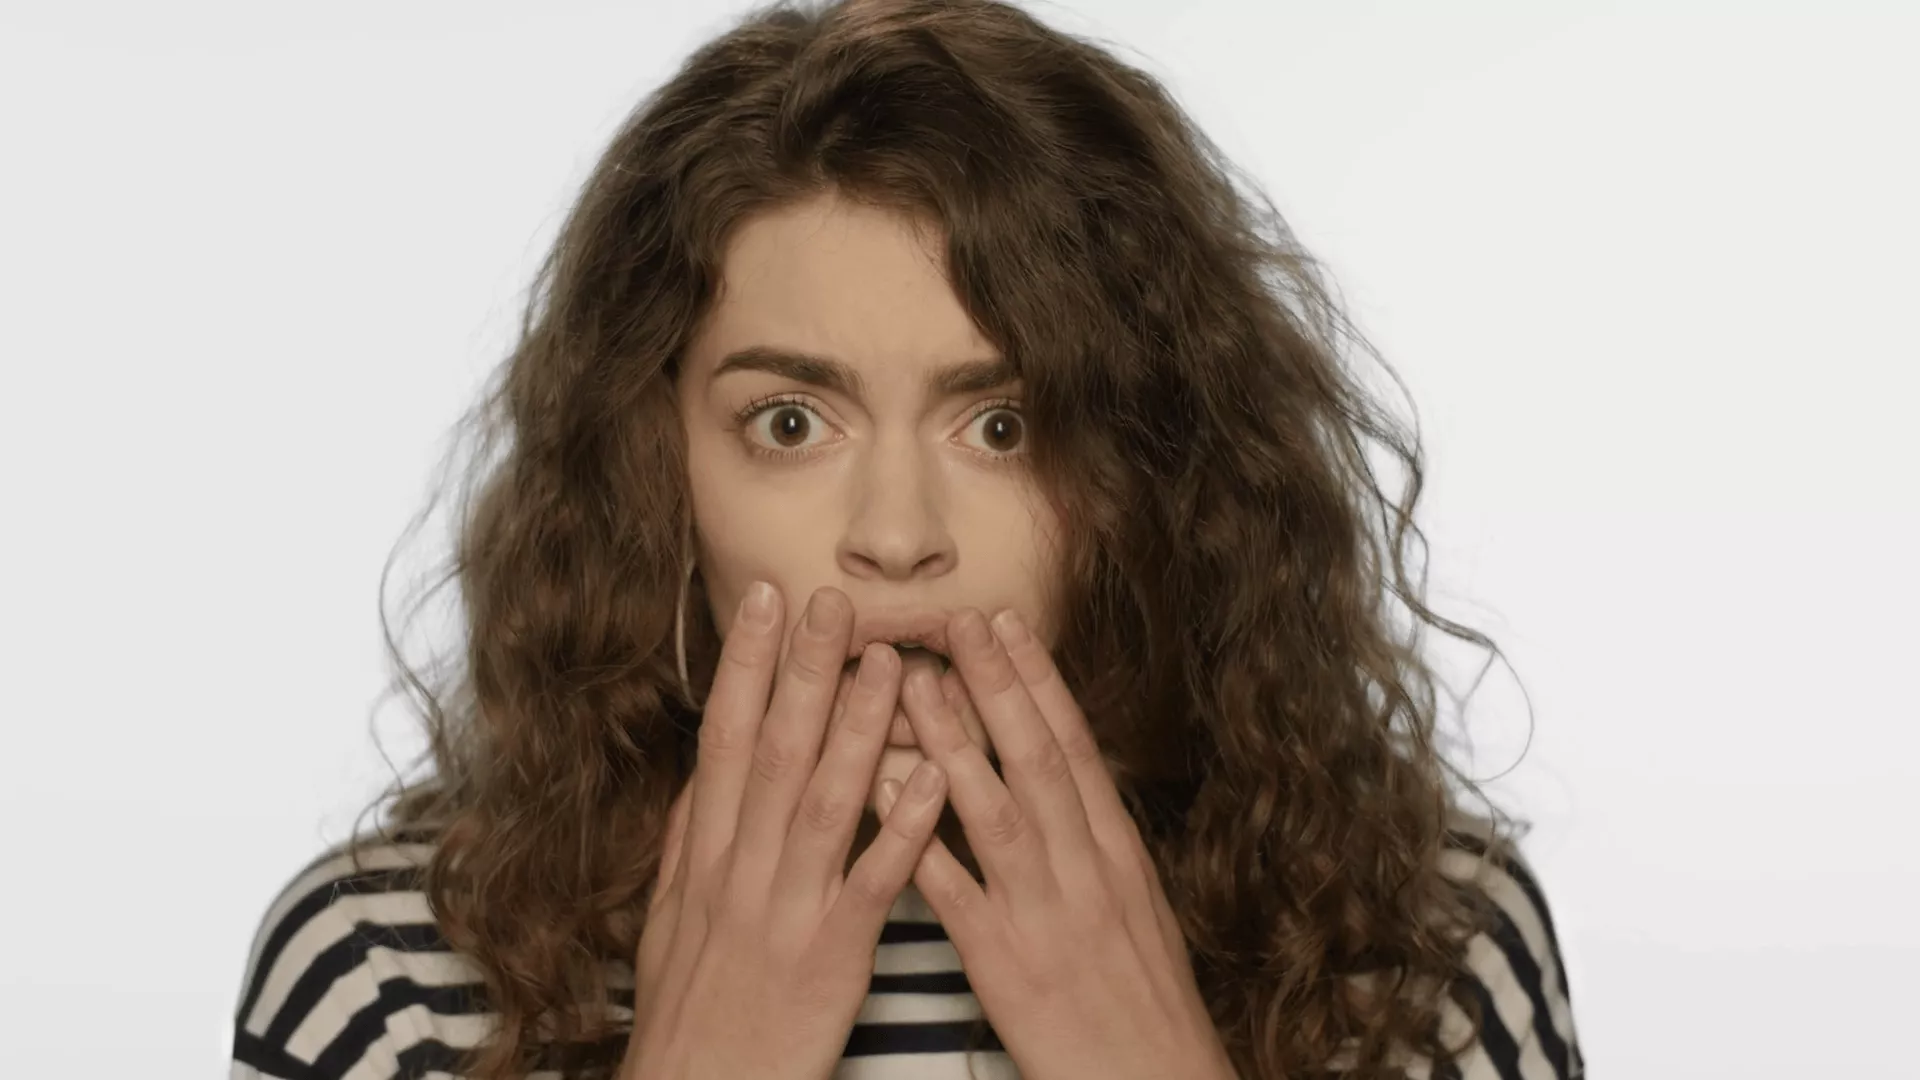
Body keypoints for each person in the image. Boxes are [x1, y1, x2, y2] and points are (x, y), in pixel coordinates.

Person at [231, 1, 1583, 1078]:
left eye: (1002, 426)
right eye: (788, 424)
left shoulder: (1427, 947)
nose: (893, 540)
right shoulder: (385, 969)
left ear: (1152, 471)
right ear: (653, 468)